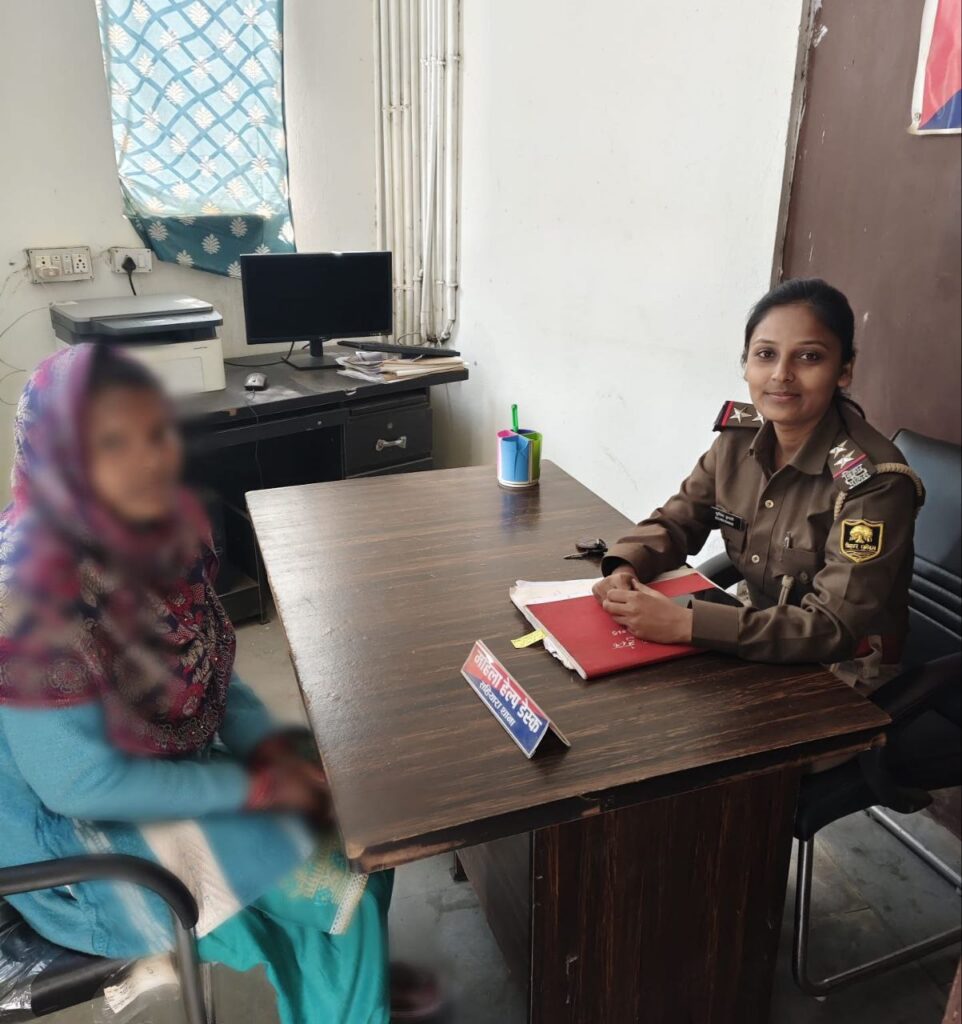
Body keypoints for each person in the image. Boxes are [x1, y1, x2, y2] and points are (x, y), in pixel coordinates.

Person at [0, 344, 393, 1024]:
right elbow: (79, 785)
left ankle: (336, 1000)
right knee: (339, 889)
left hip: (168, 772)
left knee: (365, 816)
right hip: (85, 849)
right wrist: (253, 787)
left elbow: (216, 675)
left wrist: (273, 753)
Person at [592, 278, 925, 692]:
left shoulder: (873, 481)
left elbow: (833, 627)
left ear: (844, 370)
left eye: (809, 357)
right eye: (766, 354)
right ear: (746, 364)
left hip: (844, 665)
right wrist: (625, 566)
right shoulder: (737, 440)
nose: (782, 374)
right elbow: (676, 521)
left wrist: (687, 624)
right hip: (756, 627)